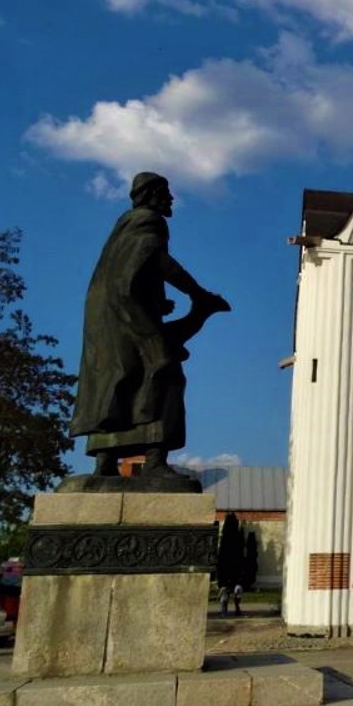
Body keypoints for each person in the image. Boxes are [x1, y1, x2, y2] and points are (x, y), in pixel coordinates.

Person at [70, 172, 230, 481]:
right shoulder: (149, 220)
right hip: (125, 310)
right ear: (152, 193)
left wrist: (156, 301)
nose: (171, 199)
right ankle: (155, 457)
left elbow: (129, 268)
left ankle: (105, 461)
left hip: (106, 312)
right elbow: (157, 260)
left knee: (117, 376)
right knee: (165, 370)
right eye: (166, 192)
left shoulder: (124, 226)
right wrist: (197, 293)